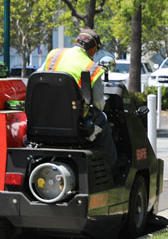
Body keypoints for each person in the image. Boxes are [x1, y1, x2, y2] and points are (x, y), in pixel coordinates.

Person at [40, 29, 117, 166]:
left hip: (45, 116)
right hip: (75, 122)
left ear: (76, 42)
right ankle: (112, 167)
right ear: (93, 50)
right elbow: (99, 104)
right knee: (103, 120)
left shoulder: (54, 55)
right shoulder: (92, 67)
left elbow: (38, 77)